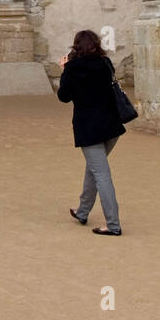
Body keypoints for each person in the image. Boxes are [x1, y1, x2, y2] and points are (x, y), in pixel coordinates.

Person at [57, 29, 125, 235]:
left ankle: (113, 225)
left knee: (101, 174)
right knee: (94, 169)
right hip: (111, 126)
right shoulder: (106, 64)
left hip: (89, 129)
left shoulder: (73, 69)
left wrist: (65, 69)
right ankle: (83, 211)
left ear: (76, 46)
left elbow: (63, 97)